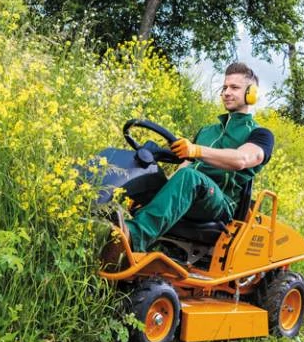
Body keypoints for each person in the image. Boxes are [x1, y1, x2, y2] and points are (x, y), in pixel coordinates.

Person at [115, 62, 274, 253]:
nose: (227, 92)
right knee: (150, 173)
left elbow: (241, 159)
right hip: (192, 191)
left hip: (220, 204)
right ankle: (101, 218)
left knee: (191, 178)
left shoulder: (260, 134)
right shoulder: (207, 131)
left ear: (251, 93)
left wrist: (196, 151)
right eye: (224, 87)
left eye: (234, 87)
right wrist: (157, 190)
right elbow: (184, 167)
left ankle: (133, 237)